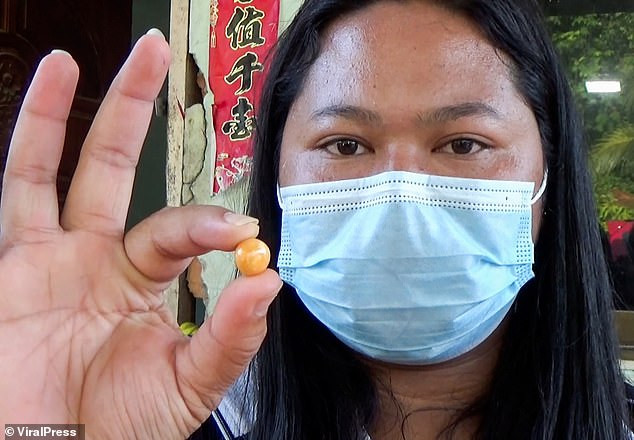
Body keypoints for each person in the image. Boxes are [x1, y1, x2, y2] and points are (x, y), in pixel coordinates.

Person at [0, 0, 629, 439]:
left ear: (549, 174)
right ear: (277, 176)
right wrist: (48, 424)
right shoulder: (174, 418)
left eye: (465, 143)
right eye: (345, 144)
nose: (399, 200)